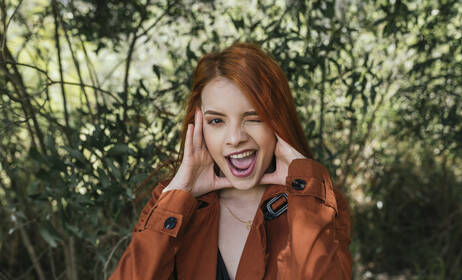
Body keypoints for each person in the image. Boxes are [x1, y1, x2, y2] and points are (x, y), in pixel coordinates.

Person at [109, 43, 352, 279]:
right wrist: (178, 193)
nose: (235, 138)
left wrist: (305, 186)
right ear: (199, 127)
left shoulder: (315, 201)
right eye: (217, 121)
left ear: (278, 122)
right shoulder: (171, 204)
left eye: (254, 118)